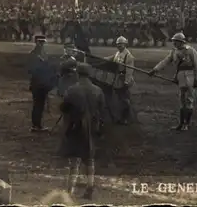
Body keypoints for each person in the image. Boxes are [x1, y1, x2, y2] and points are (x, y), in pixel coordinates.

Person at [59, 63, 105, 200]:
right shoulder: (98, 90)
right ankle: (89, 188)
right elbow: (102, 109)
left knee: (75, 161)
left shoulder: (72, 90)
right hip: (92, 128)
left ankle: (70, 191)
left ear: (78, 74)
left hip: (75, 127)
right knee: (89, 160)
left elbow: (64, 108)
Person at [149, 32, 197, 131]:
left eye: (176, 42)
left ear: (181, 42)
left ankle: (187, 124)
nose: (174, 43)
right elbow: (165, 61)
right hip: (180, 76)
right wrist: (155, 69)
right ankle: (181, 123)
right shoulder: (174, 51)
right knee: (182, 100)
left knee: (189, 100)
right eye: (174, 41)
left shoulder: (190, 50)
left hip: (190, 76)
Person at [28, 34, 57, 132]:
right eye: (40, 42)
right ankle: (36, 125)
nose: (42, 44)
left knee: (39, 105)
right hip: (38, 84)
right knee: (38, 105)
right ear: (36, 42)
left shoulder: (42, 54)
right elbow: (32, 70)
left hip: (41, 83)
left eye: (43, 42)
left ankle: (37, 125)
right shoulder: (34, 55)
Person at [104, 36, 135, 125]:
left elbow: (130, 71)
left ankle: (126, 118)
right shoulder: (118, 53)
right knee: (118, 99)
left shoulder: (128, 56)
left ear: (125, 45)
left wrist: (126, 82)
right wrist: (100, 58)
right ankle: (119, 117)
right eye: (118, 44)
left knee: (125, 100)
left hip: (124, 79)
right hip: (118, 79)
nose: (119, 46)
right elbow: (111, 58)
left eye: (121, 44)